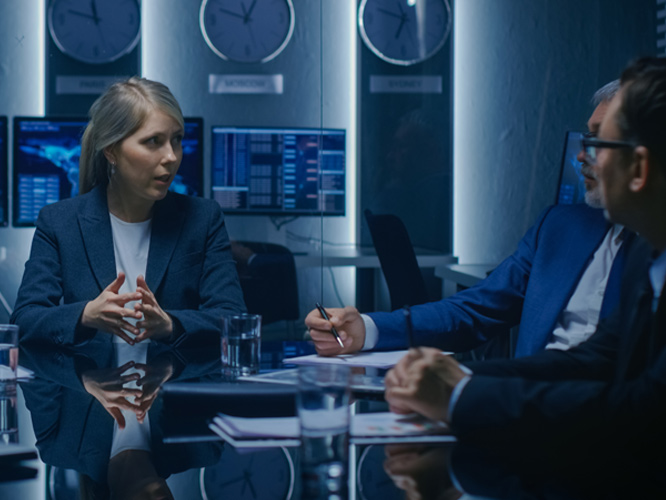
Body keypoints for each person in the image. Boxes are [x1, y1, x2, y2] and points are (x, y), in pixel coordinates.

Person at [383, 57, 666, 456]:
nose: (581, 157)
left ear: (638, 167)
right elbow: (594, 359)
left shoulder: (643, 252)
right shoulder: (647, 261)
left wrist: (461, 396)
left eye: (599, 143)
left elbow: (642, 413)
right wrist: (458, 378)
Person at [306, 81, 630, 358]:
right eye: (586, 139)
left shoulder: (653, 252)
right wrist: (367, 328)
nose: (581, 156)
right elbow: (473, 309)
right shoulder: (560, 227)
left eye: (598, 140)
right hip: (522, 409)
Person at [11, 77, 246, 346]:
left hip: (174, 383)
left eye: (177, 139)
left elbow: (234, 318)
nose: (171, 156)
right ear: (111, 151)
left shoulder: (203, 218)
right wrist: (85, 315)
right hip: (89, 384)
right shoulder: (59, 222)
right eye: (153, 141)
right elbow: (25, 320)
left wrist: (170, 324)